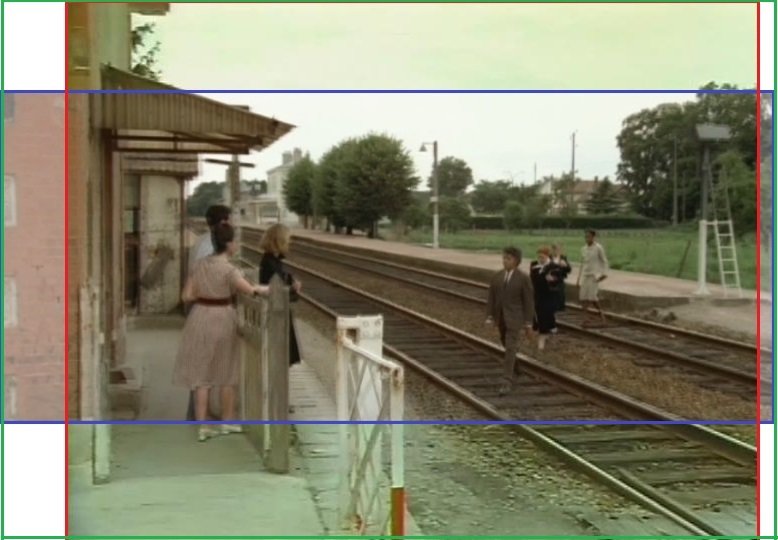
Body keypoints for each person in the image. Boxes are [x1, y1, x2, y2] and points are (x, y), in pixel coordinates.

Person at [173, 223, 269, 442]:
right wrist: (267, 289)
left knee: (202, 374)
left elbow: (186, 296)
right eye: (235, 241)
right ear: (229, 244)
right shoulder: (229, 270)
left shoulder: (199, 265)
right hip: (223, 316)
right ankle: (227, 420)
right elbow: (249, 290)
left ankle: (202, 426)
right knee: (227, 372)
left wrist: (203, 293)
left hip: (199, 316)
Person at [185, 204, 231, 422]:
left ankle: (198, 414)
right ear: (223, 222)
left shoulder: (201, 242)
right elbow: (209, 278)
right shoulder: (209, 247)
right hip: (207, 309)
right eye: (229, 220)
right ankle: (202, 415)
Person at [485, 247, 535, 396]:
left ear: (516, 261)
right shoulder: (497, 277)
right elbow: (491, 298)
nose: (505, 261)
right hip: (501, 318)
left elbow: (529, 302)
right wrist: (490, 317)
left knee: (511, 346)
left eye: (508, 258)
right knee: (506, 344)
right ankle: (516, 367)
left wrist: (528, 323)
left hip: (515, 319)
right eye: (504, 258)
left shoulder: (523, 278)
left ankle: (506, 380)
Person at [258, 224, 302, 367]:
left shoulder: (272, 260)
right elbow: (278, 289)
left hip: (277, 311)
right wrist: (293, 289)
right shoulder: (270, 262)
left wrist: (290, 280)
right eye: (287, 239)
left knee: (282, 356)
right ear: (279, 240)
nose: (290, 242)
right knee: (280, 357)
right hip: (276, 313)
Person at [529, 247, 565, 350]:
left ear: (547, 256)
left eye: (542, 257)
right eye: (539, 257)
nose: (540, 259)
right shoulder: (534, 266)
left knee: (544, 316)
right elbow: (533, 279)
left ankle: (542, 339)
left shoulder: (553, 267)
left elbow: (559, 280)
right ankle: (548, 330)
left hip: (549, 296)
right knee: (539, 315)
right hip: (538, 295)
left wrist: (553, 280)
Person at [576, 229, 609, 326]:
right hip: (585, 275)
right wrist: (578, 278)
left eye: (589, 237)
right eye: (586, 237)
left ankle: (601, 315)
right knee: (583, 297)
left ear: (593, 237)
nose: (587, 239)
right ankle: (585, 318)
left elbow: (604, 261)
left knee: (592, 297)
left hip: (594, 275)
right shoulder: (583, 249)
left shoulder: (598, 248)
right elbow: (582, 264)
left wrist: (604, 274)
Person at [549, 244, 572, 332]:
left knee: (559, 301)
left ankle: (554, 320)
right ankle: (551, 322)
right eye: (554, 250)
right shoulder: (549, 258)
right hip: (550, 283)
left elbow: (569, 270)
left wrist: (565, 266)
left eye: (558, 250)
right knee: (551, 303)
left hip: (559, 282)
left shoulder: (563, 258)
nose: (556, 251)